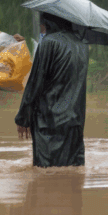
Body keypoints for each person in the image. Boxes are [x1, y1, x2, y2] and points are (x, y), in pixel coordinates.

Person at [14, 13, 89, 167]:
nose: (41, 27)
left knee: (45, 172)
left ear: (50, 22)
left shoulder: (49, 43)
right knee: (72, 170)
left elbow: (35, 82)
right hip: (75, 120)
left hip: (49, 122)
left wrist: (23, 117)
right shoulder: (82, 45)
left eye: (42, 23)